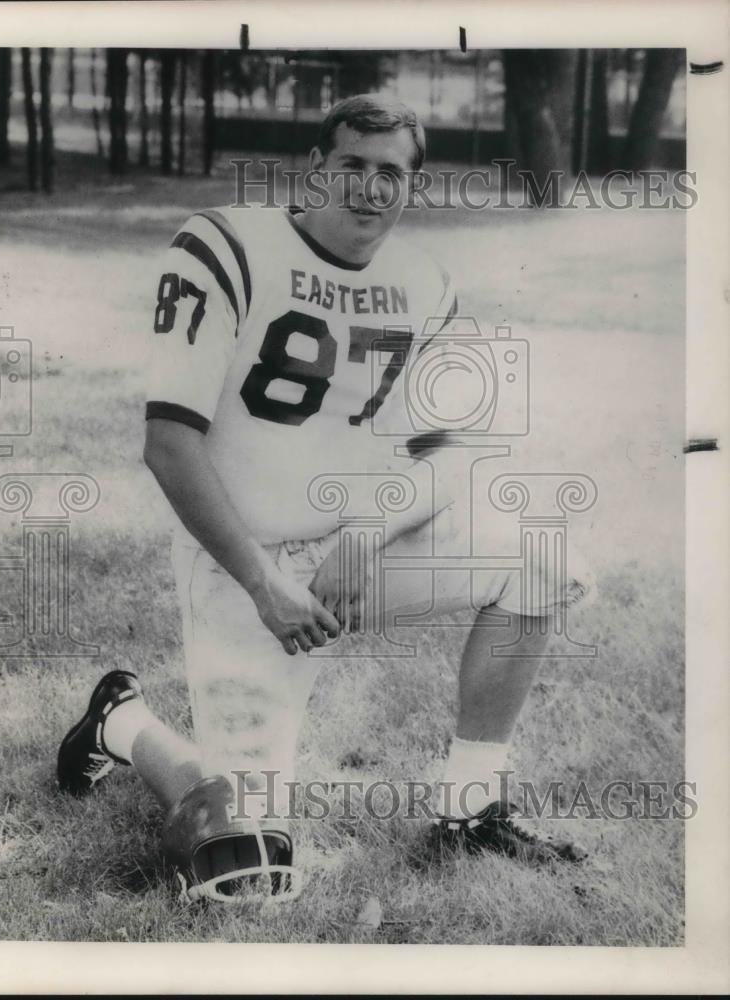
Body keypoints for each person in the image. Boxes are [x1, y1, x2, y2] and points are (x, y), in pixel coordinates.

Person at [57, 95, 592, 903]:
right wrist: (264, 584)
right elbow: (168, 445)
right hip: (242, 566)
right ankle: (122, 722)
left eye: (391, 174)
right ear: (314, 168)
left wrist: (368, 531)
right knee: (247, 876)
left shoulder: (423, 282)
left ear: (409, 188)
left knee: (542, 562)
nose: (371, 190)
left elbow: (452, 452)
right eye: (352, 166)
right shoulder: (226, 245)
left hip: (349, 559)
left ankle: (470, 807)